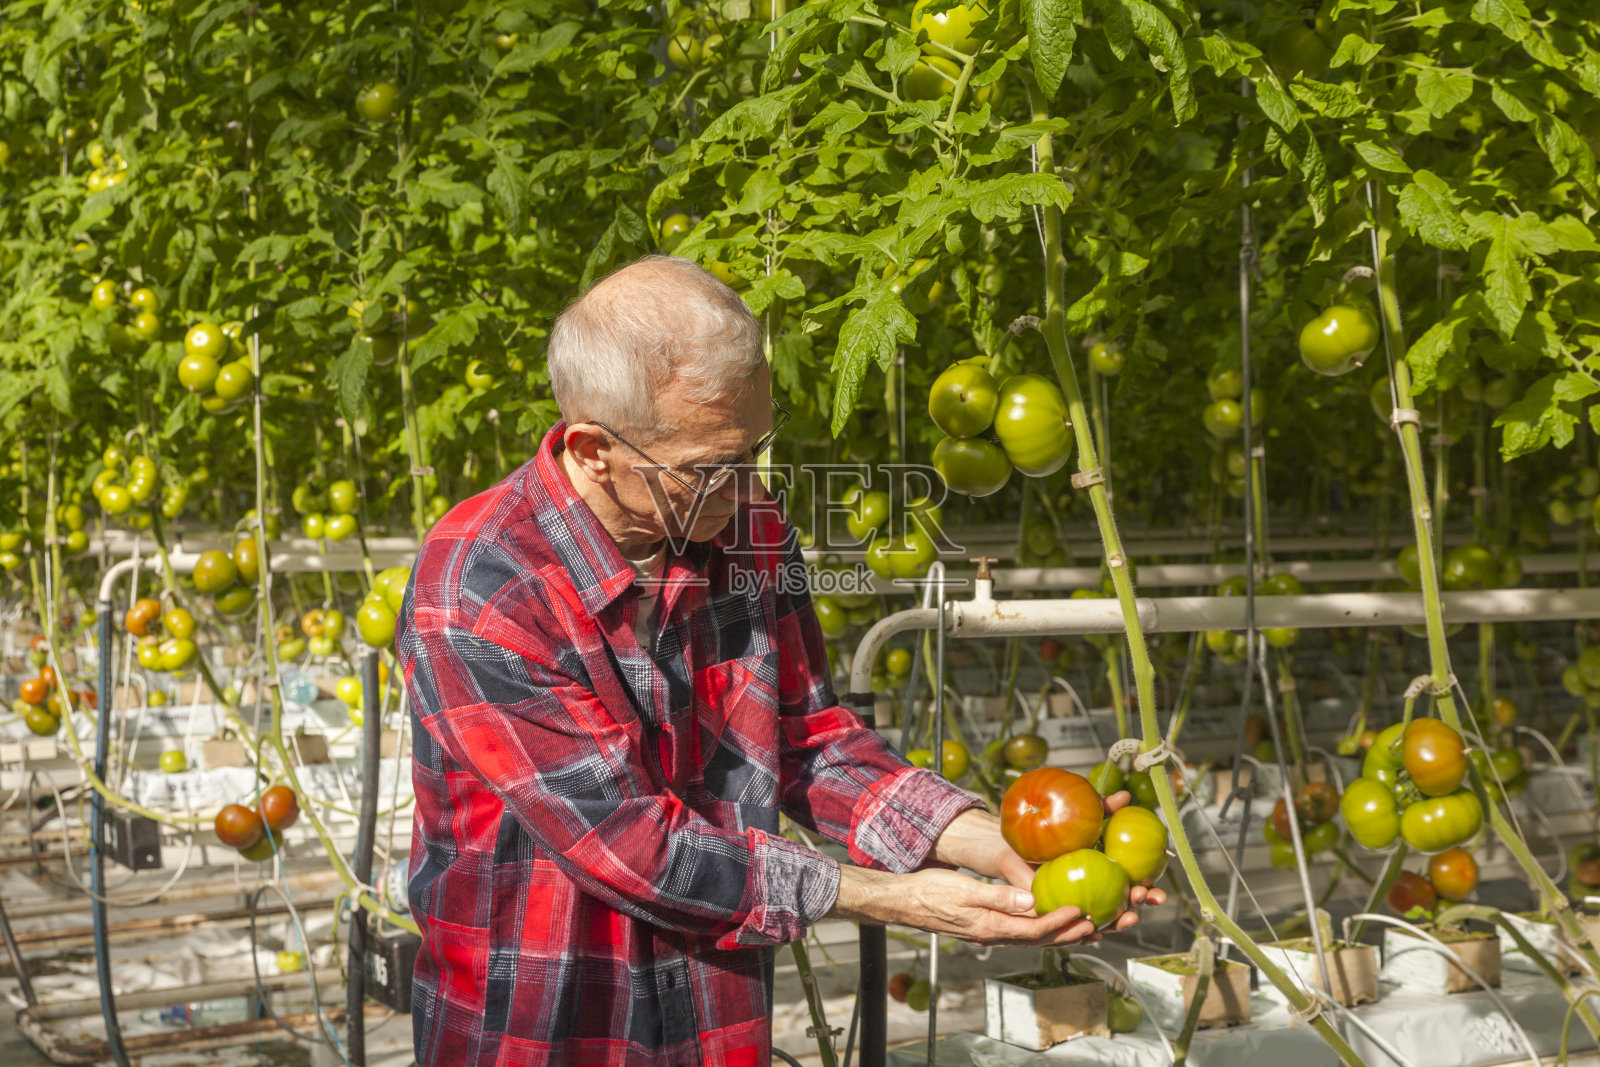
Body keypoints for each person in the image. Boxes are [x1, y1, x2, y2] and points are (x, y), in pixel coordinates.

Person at [397, 255, 1164, 1065]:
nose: (746, 486)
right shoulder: (482, 586)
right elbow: (634, 846)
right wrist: (893, 899)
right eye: (708, 467)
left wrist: (989, 840)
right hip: (547, 1015)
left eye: (754, 448)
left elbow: (810, 737)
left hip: (714, 1009)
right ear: (593, 450)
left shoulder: (748, 528)